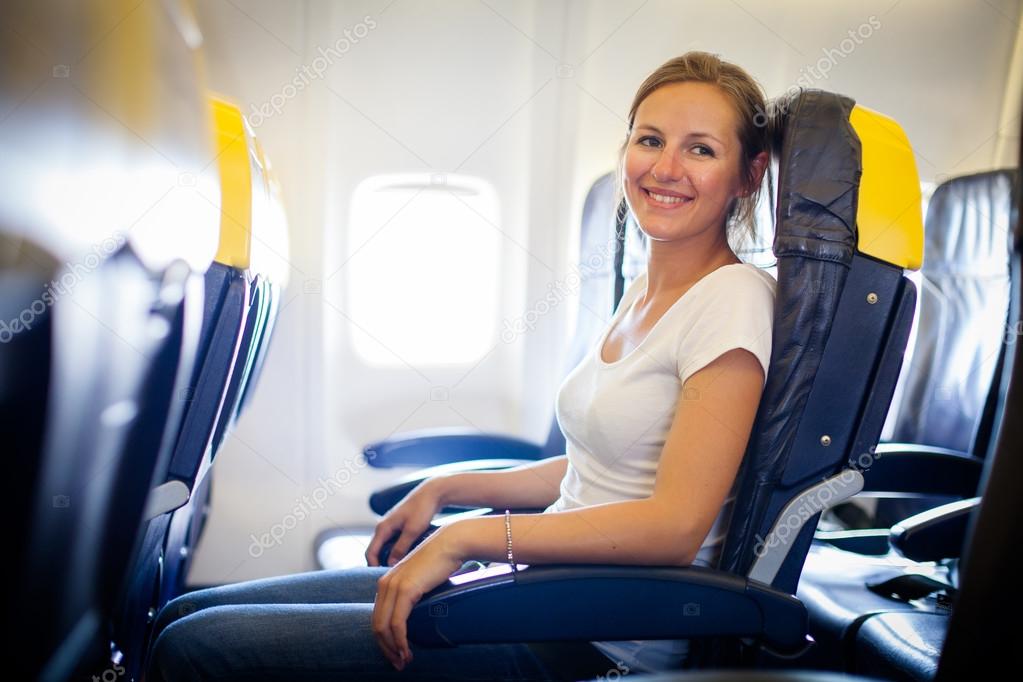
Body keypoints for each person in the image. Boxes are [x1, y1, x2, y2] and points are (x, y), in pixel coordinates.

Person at [147, 50, 775, 681]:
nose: (665, 167)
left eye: (701, 150)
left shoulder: (732, 299)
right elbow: (600, 469)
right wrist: (444, 489)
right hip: (530, 595)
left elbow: (673, 527)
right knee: (180, 617)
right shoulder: (644, 289)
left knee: (195, 649)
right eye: (650, 139)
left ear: (748, 175)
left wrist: (466, 536)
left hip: (591, 638)